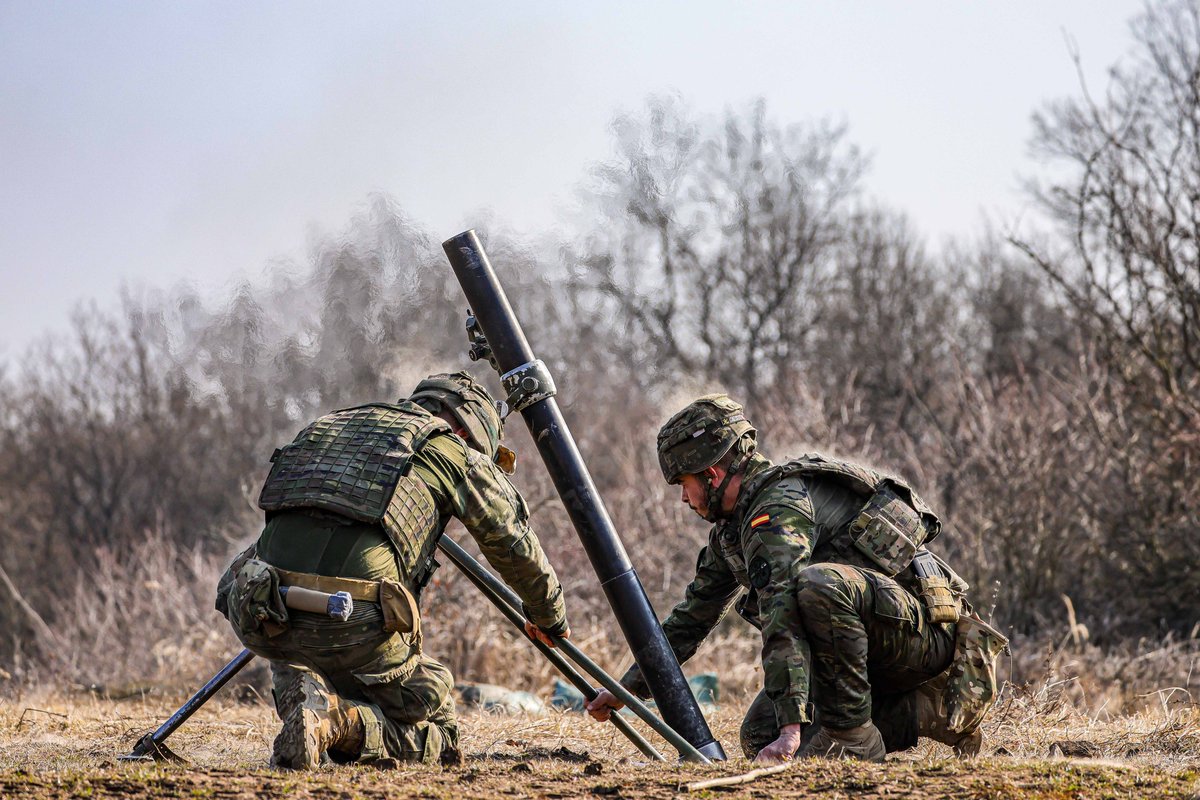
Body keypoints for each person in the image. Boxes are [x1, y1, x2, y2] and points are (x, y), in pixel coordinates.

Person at [586, 394, 1005, 763]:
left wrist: (793, 731)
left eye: (684, 483)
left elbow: (782, 614)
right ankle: (922, 712)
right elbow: (690, 620)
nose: (683, 498)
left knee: (819, 585)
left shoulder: (778, 511)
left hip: (928, 642)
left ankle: (853, 738)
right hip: (877, 647)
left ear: (712, 475)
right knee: (758, 735)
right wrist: (625, 689)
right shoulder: (735, 530)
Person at [216, 372, 570, 769]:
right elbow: (512, 545)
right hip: (355, 622)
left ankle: (309, 691)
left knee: (301, 651)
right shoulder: (451, 449)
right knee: (439, 725)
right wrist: (548, 616)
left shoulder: (331, 426)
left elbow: (249, 561)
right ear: (468, 430)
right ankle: (335, 722)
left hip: (261, 611)